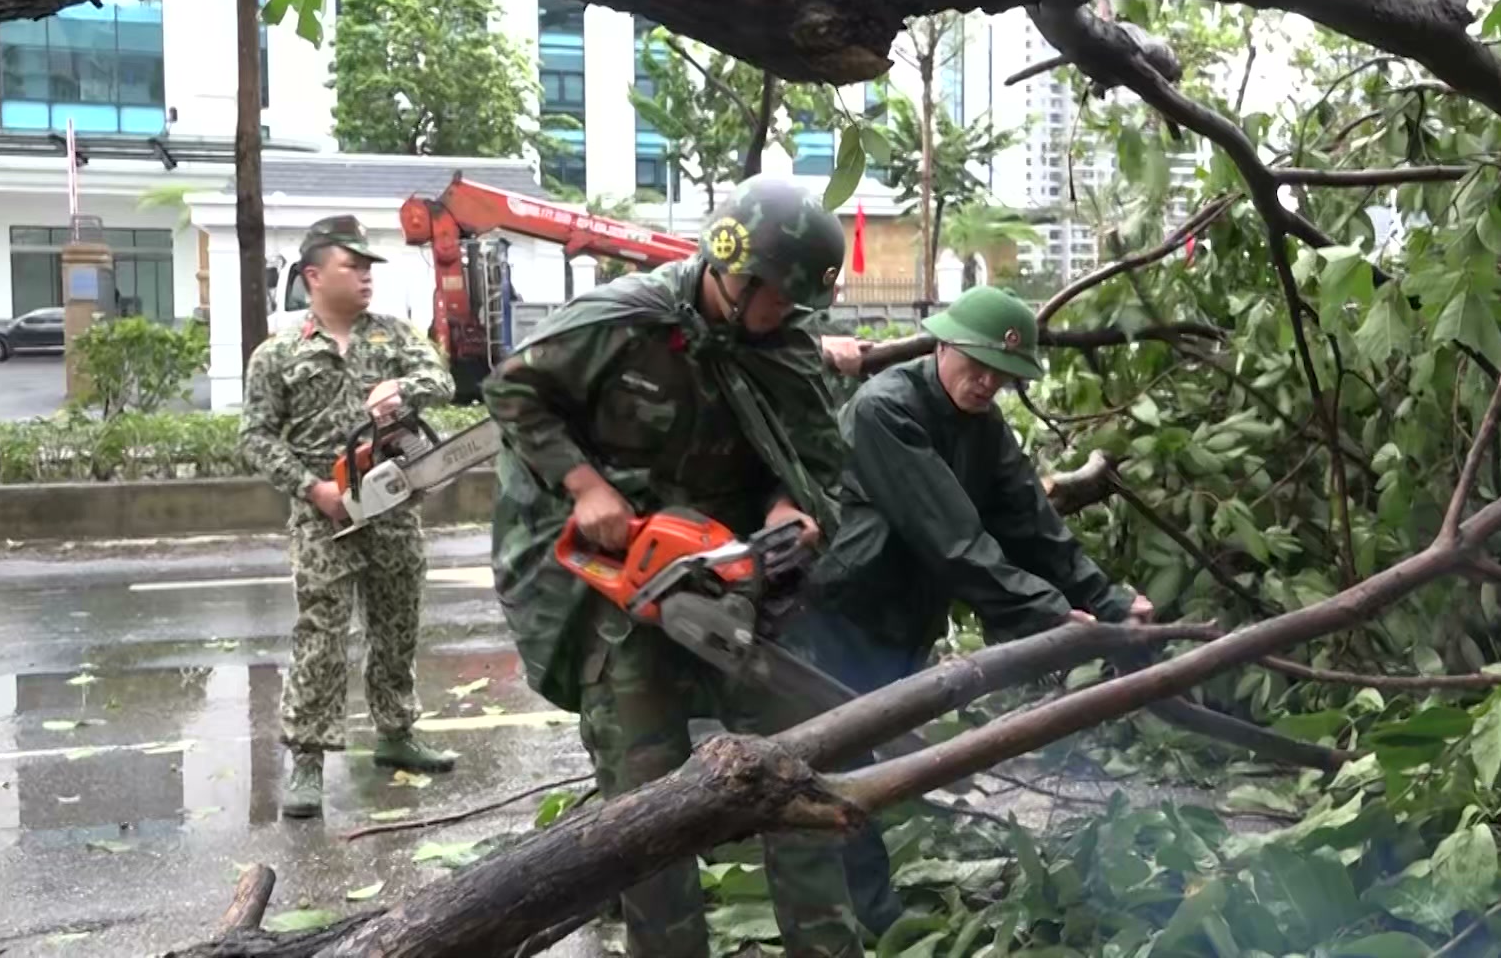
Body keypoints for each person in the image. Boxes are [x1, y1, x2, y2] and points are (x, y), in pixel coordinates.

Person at [484, 174, 865, 958]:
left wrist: (791, 514)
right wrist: (584, 486)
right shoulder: (625, 322)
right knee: (649, 809)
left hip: (740, 582)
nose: (787, 317)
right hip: (632, 589)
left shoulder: (783, 345)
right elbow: (513, 389)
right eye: (778, 298)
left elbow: (821, 463)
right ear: (737, 271)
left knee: (799, 772)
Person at [782, 284, 1154, 926]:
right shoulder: (885, 409)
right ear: (944, 344)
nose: (985, 384)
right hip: (842, 612)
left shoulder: (984, 427)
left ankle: (851, 902)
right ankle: (870, 922)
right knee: (836, 767)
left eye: (1001, 376)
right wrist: (1048, 615)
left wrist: (1112, 605)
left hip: (907, 617)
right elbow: (953, 539)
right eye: (976, 366)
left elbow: (1034, 526)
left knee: (874, 756)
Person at [239, 215, 460, 819]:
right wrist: (313, 489)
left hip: (392, 506)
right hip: (323, 514)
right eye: (352, 264)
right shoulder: (278, 352)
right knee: (321, 634)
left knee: (397, 624)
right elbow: (255, 437)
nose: (364, 275)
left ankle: (395, 734)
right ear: (314, 274)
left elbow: (442, 378)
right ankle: (307, 759)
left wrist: (403, 394)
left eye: (368, 267)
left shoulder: (394, 336)